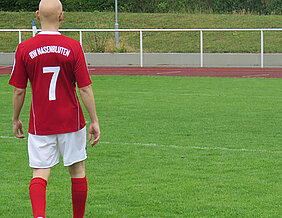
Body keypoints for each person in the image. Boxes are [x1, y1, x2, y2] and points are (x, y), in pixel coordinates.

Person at [9, 0, 100, 217]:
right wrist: (94, 120)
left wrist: (15, 118)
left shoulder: (24, 48)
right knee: (77, 171)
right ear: (62, 17)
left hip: (41, 122)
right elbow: (85, 89)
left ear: (37, 15)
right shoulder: (73, 46)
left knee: (40, 173)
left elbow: (19, 91)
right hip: (71, 120)